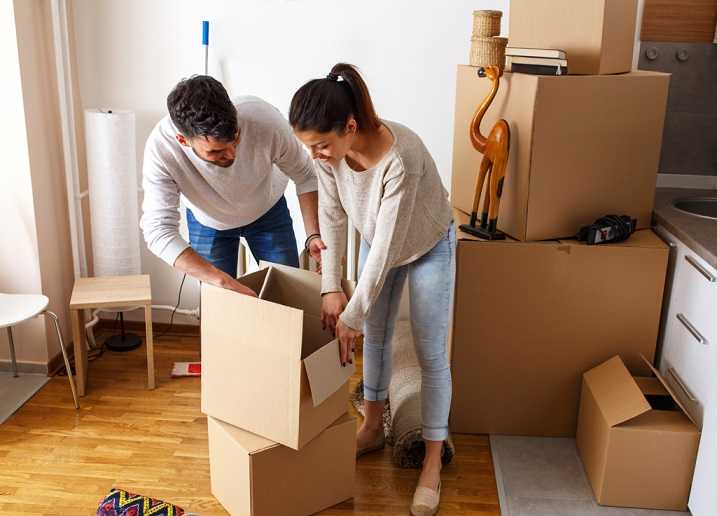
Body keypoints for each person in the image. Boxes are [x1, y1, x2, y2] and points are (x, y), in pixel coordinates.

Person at [289, 63, 455, 516]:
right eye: (309, 147)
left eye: (322, 144)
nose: (316, 154)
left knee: (430, 350)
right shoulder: (326, 155)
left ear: (350, 126)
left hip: (425, 245)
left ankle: (433, 460)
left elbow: (384, 249)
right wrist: (330, 288)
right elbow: (335, 218)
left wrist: (351, 314)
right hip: (382, 242)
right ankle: (371, 427)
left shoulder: (402, 158)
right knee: (375, 336)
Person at [140, 75, 325, 295]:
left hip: (268, 211)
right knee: (220, 304)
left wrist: (313, 234)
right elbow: (158, 230)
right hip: (208, 221)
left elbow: (305, 175)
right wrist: (221, 281)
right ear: (183, 141)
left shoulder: (266, 121)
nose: (231, 154)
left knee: (288, 297)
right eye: (216, 151)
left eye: (235, 139)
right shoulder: (162, 150)